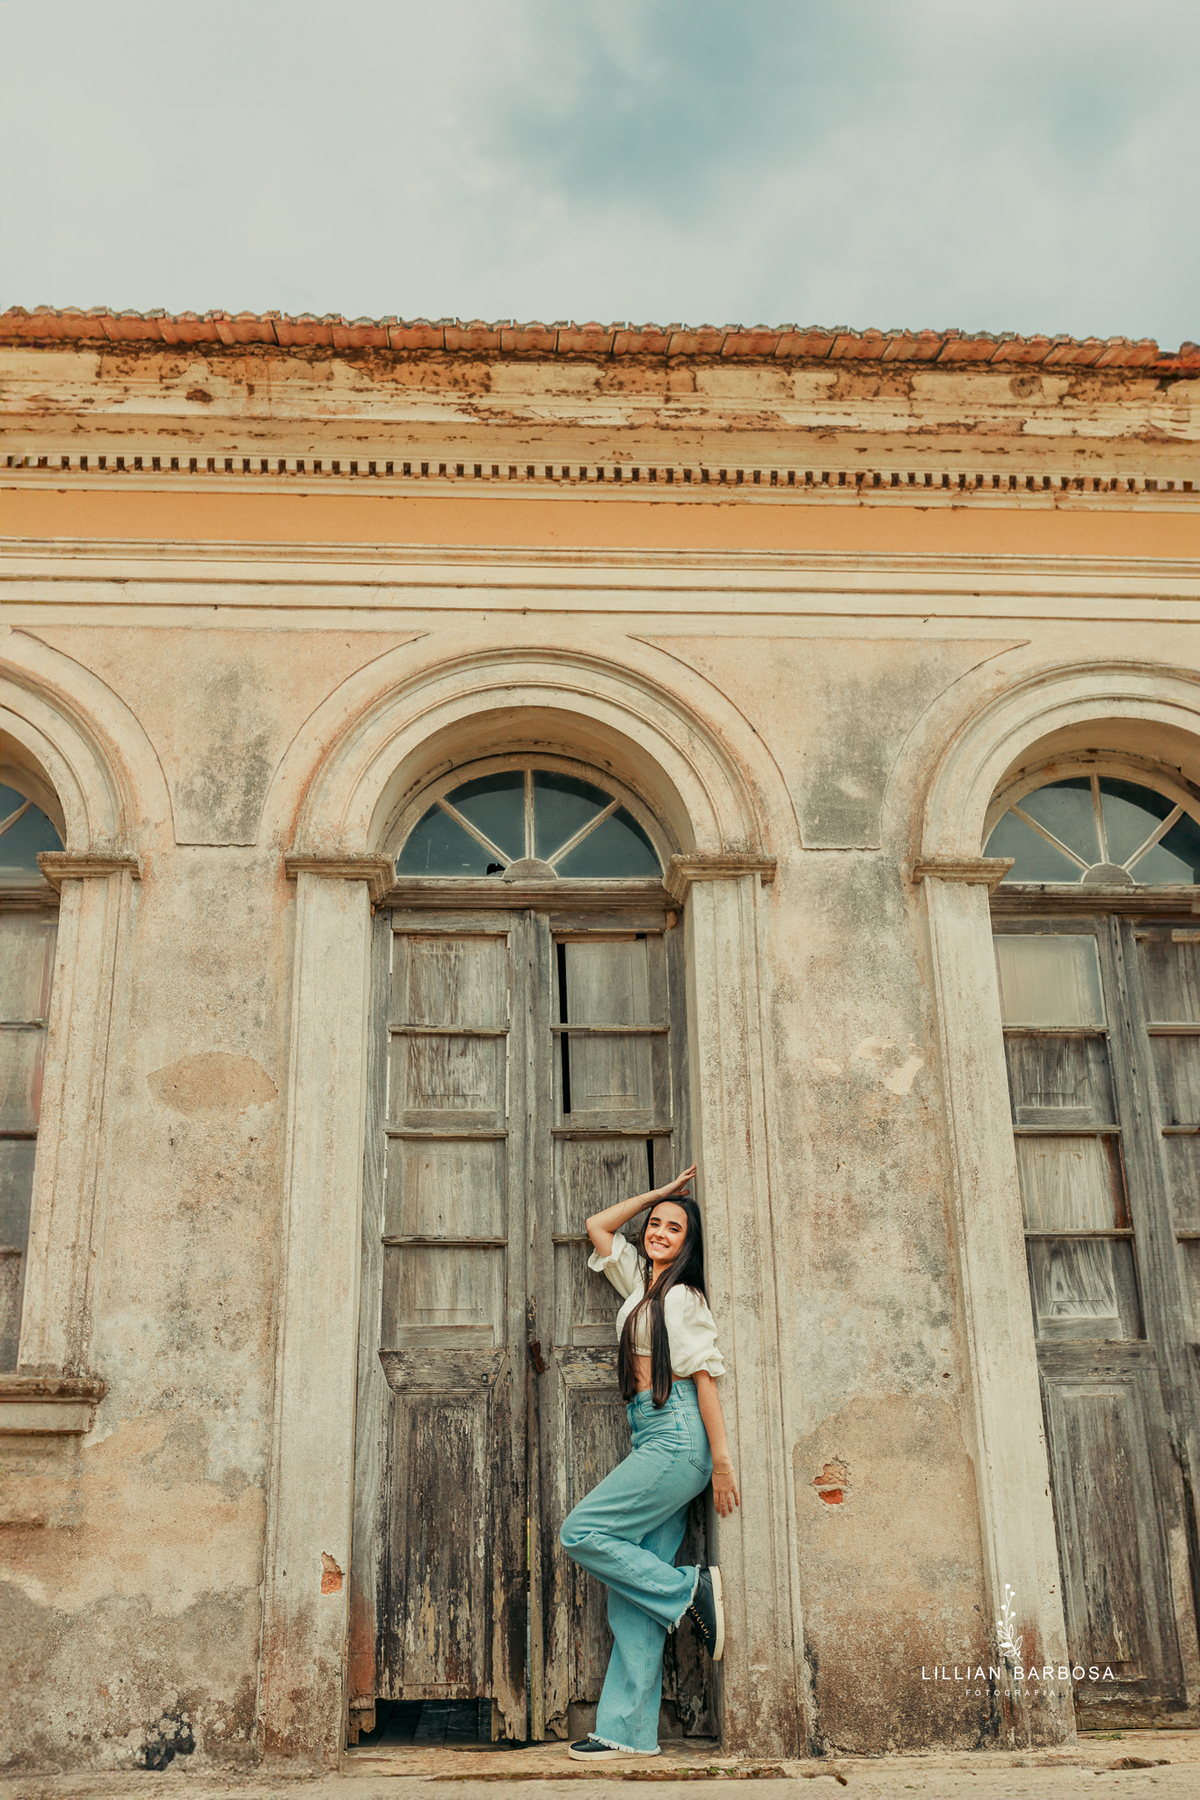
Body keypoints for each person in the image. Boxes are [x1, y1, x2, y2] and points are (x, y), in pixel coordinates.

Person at [559, 1163, 739, 1761]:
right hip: (651, 1434)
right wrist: (660, 1194)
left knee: (582, 1531)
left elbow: (704, 1377)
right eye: (656, 1224)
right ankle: (627, 1732)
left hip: (676, 1437)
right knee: (634, 1595)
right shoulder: (639, 1282)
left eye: (673, 1228)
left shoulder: (682, 1297)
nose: (659, 1232)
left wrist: (720, 1463)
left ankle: (691, 1589)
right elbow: (598, 1225)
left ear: (689, 1245)